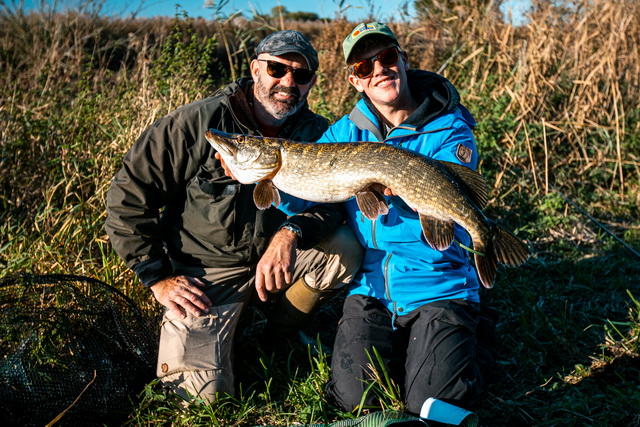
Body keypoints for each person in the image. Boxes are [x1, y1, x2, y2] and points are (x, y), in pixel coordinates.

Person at [105, 30, 363, 404]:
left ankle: (279, 332)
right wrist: (157, 277)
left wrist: (291, 232)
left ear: (310, 84)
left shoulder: (318, 133)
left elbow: (333, 205)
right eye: (277, 68)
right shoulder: (198, 122)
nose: (288, 82)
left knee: (345, 247)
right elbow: (128, 197)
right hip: (206, 274)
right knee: (197, 400)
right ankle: (225, 330)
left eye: (301, 75)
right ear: (256, 69)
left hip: (278, 263)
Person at [277, 23, 496, 415]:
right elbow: (312, 194)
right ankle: (413, 349)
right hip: (372, 288)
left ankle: (470, 337)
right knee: (353, 400)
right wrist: (275, 186)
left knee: (433, 404)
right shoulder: (342, 134)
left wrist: (409, 193)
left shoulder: (450, 128)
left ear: (404, 61)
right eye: (364, 66)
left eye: (388, 57)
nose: (379, 69)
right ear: (355, 81)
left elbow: (449, 206)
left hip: (437, 282)